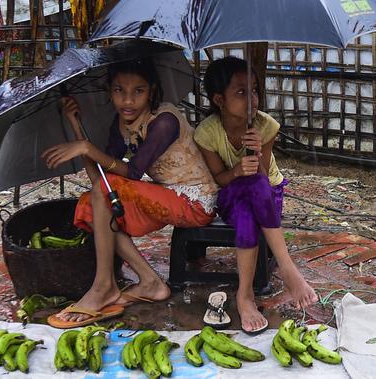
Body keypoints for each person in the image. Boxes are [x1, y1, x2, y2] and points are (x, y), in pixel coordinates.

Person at [41, 58, 219, 328]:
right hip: (165, 195)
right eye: (118, 90)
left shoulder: (164, 121)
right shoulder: (121, 123)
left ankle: (103, 286)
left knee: (102, 193)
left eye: (138, 91)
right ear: (109, 91)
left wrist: (86, 148)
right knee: (91, 204)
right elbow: (100, 180)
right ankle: (149, 282)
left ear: (153, 91)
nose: (128, 99)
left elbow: (133, 172)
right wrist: (77, 125)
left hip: (194, 201)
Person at [194, 56, 318, 334]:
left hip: (267, 198)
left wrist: (259, 153)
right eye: (241, 92)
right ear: (218, 99)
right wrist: (238, 169)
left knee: (254, 197)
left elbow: (264, 179)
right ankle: (287, 270)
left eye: (254, 90)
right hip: (231, 195)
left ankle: (245, 295)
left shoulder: (266, 126)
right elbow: (219, 178)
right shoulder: (207, 133)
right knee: (246, 194)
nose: (252, 99)